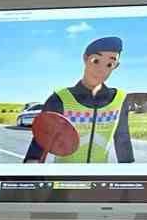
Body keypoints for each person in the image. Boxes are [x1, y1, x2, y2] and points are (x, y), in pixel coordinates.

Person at [24, 35, 134, 163]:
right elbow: (41, 140)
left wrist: (131, 175)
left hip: (98, 179)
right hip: (63, 178)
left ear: (116, 66)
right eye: (96, 61)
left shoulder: (120, 99)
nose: (100, 69)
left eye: (109, 64)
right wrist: (31, 166)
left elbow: (123, 139)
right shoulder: (60, 98)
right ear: (85, 58)